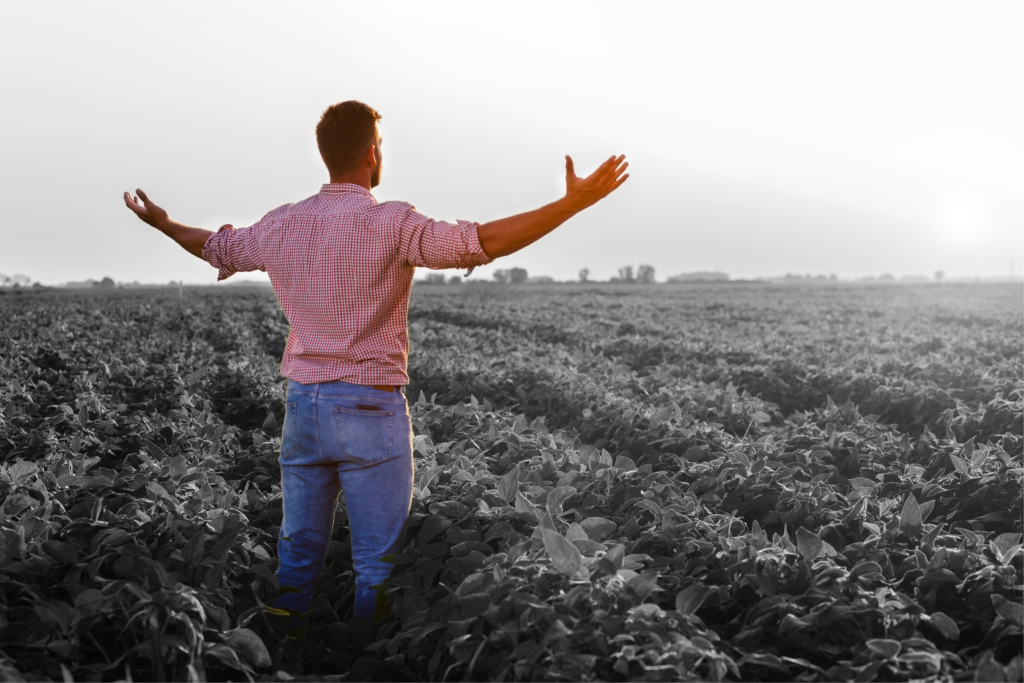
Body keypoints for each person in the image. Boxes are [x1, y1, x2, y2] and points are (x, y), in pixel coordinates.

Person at [123, 100, 629, 628]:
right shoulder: (392, 223)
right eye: (380, 145)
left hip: (303, 406)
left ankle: (280, 646)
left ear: (325, 155)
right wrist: (571, 205)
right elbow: (483, 242)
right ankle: (367, 654)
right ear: (370, 152)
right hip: (368, 406)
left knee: (297, 553)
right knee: (378, 565)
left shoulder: (282, 224)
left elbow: (215, 247)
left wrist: (163, 224)